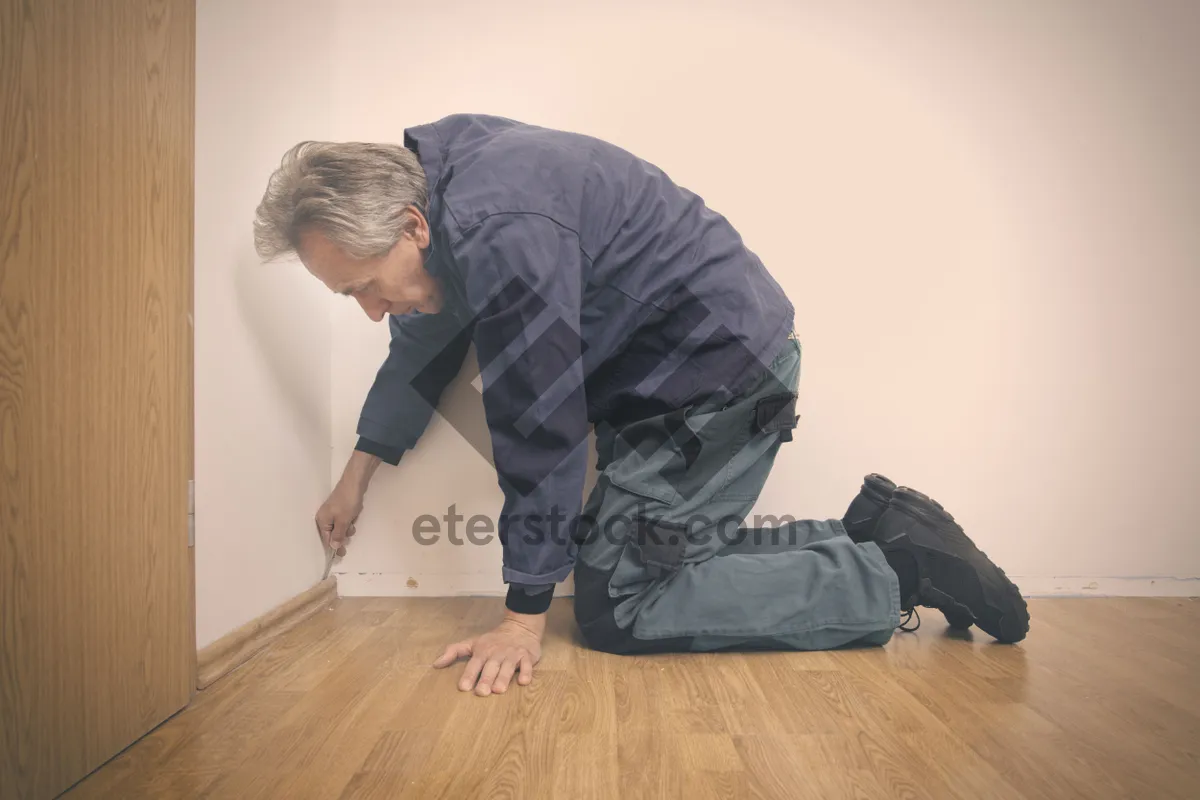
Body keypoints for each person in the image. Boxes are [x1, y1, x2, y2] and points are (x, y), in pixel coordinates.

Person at [253, 114, 1029, 697]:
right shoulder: (447, 189)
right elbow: (425, 343)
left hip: (720, 384)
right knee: (617, 558)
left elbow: (539, 420)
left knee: (620, 605)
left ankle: (894, 570)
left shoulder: (503, 227)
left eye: (362, 288)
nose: (369, 311)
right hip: (677, 385)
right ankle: (873, 530)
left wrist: (523, 618)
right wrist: (359, 470)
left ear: (411, 227)